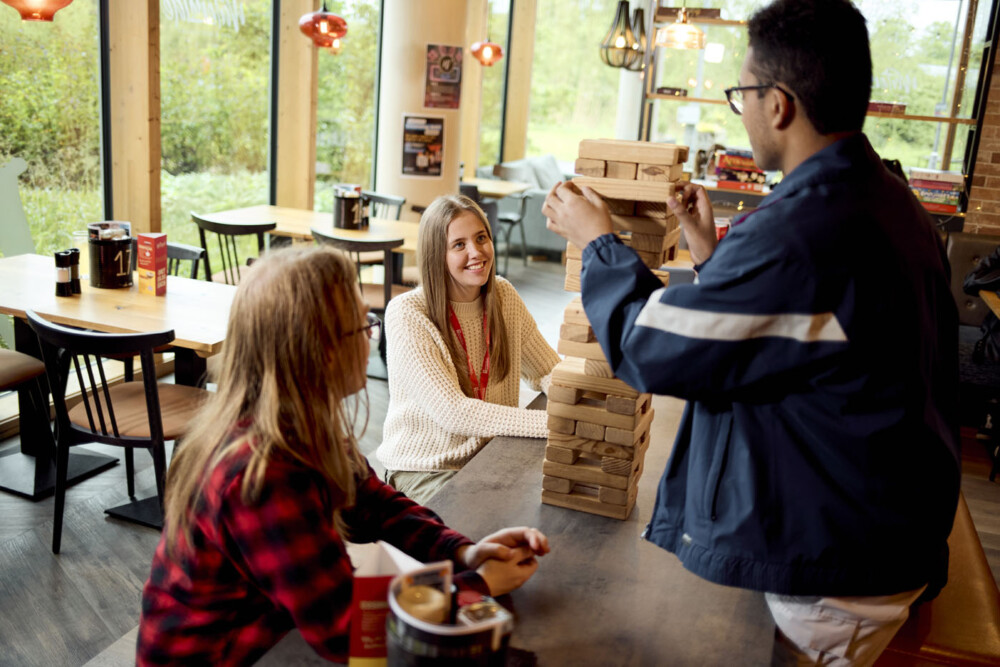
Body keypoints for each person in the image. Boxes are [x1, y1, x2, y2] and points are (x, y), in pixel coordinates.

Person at [542, 1, 960, 665]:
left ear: (780, 104)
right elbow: (799, 333)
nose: (740, 108)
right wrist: (713, 255)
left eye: (742, 93)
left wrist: (597, 242)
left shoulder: (803, 232)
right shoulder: (885, 198)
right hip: (882, 518)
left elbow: (649, 345)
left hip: (837, 566)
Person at [137, 246, 549, 665]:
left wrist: (463, 552)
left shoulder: (299, 422)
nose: (371, 338)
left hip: (271, 635)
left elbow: (376, 504)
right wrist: (477, 584)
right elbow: (345, 628)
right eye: (362, 326)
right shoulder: (263, 474)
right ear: (318, 349)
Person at [376, 195, 560, 504]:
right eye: (459, 245)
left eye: (481, 238)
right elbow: (454, 413)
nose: (476, 252)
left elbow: (547, 368)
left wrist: (574, 405)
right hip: (427, 467)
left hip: (491, 453)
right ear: (437, 255)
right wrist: (556, 424)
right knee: (486, 527)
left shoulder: (503, 295)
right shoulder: (408, 313)